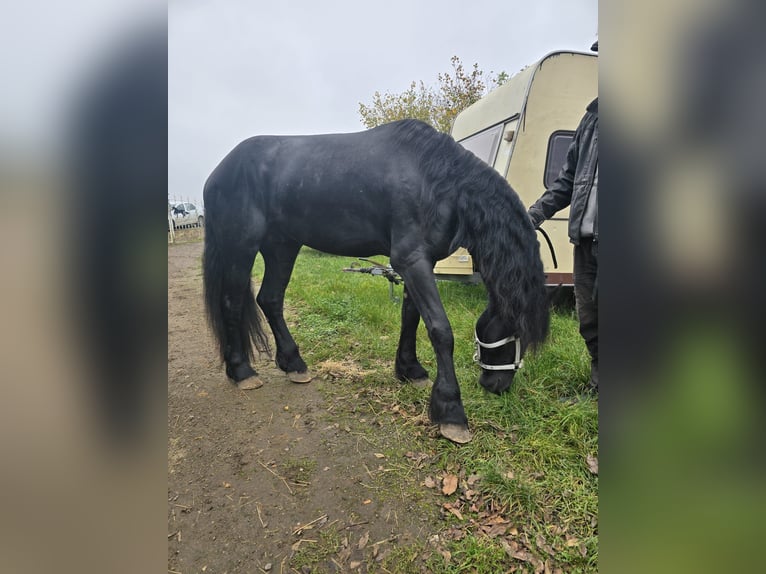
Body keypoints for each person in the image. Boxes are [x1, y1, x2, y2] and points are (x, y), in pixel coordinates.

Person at [527, 41, 598, 391]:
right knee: (589, 316)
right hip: (585, 240)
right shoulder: (591, 120)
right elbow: (568, 181)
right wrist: (533, 216)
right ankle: (601, 381)